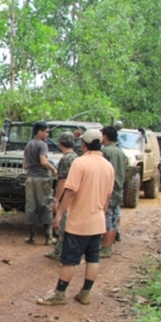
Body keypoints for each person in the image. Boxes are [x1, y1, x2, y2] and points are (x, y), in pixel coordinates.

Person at [37, 128, 114, 306]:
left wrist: (60, 212)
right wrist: (101, 212)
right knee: (93, 258)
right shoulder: (108, 166)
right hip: (97, 220)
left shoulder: (80, 163)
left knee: (70, 259)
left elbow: (71, 191)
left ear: (84, 144)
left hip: (79, 221)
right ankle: (85, 293)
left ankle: (60, 293)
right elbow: (108, 196)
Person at [44, 131, 78, 260]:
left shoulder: (65, 159)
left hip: (66, 196)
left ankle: (61, 252)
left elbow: (63, 181)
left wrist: (57, 200)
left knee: (63, 224)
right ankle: (59, 249)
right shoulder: (76, 157)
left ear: (60, 143)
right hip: (75, 195)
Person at [23, 121, 57, 245]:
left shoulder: (28, 145)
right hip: (42, 178)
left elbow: (25, 165)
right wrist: (52, 168)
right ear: (39, 132)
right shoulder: (42, 145)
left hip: (30, 178)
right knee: (46, 205)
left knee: (31, 206)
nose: (48, 134)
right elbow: (43, 162)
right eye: (46, 131)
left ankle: (32, 237)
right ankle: (48, 237)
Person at [99, 126, 127, 258]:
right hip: (118, 189)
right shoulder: (120, 152)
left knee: (107, 219)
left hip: (108, 190)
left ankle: (106, 247)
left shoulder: (106, 151)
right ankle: (110, 243)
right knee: (114, 217)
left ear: (105, 136)